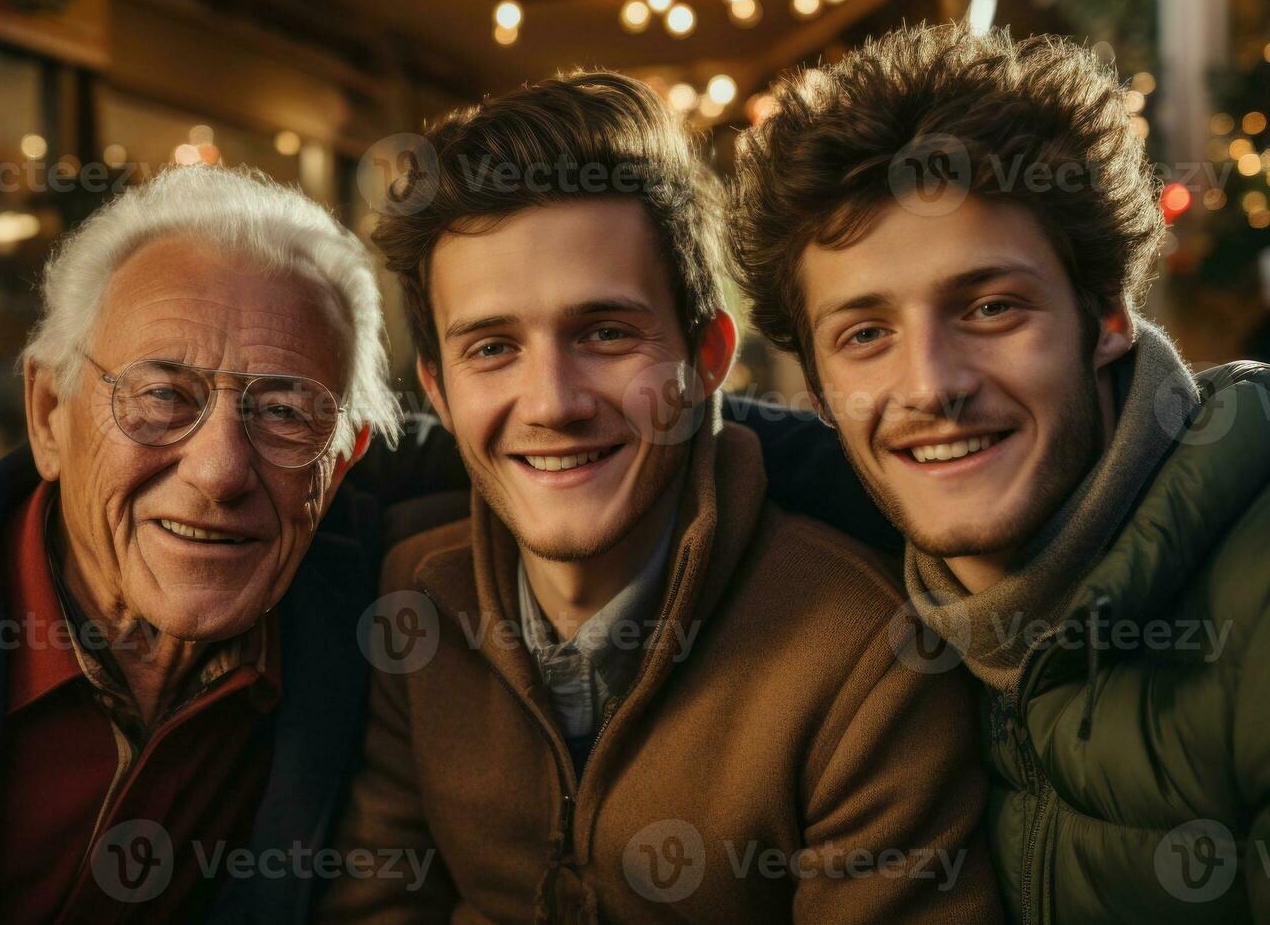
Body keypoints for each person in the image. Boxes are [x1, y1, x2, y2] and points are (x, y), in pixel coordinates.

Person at [730, 21, 1270, 921]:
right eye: (865, 335)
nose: (931, 385)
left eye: (991, 307)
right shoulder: (869, 611)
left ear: (1109, 316)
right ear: (815, 389)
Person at [317, 71, 1001, 923]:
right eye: (492, 348)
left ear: (708, 355)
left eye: (604, 333)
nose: (552, 403)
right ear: (439, 390)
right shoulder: (414, 593)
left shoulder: (867, 657)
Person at [0, 165, 402, 923]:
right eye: (161, 396)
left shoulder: (382, 636)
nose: (219, 472)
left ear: (341, 462)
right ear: (49, 413)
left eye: (284, 412)